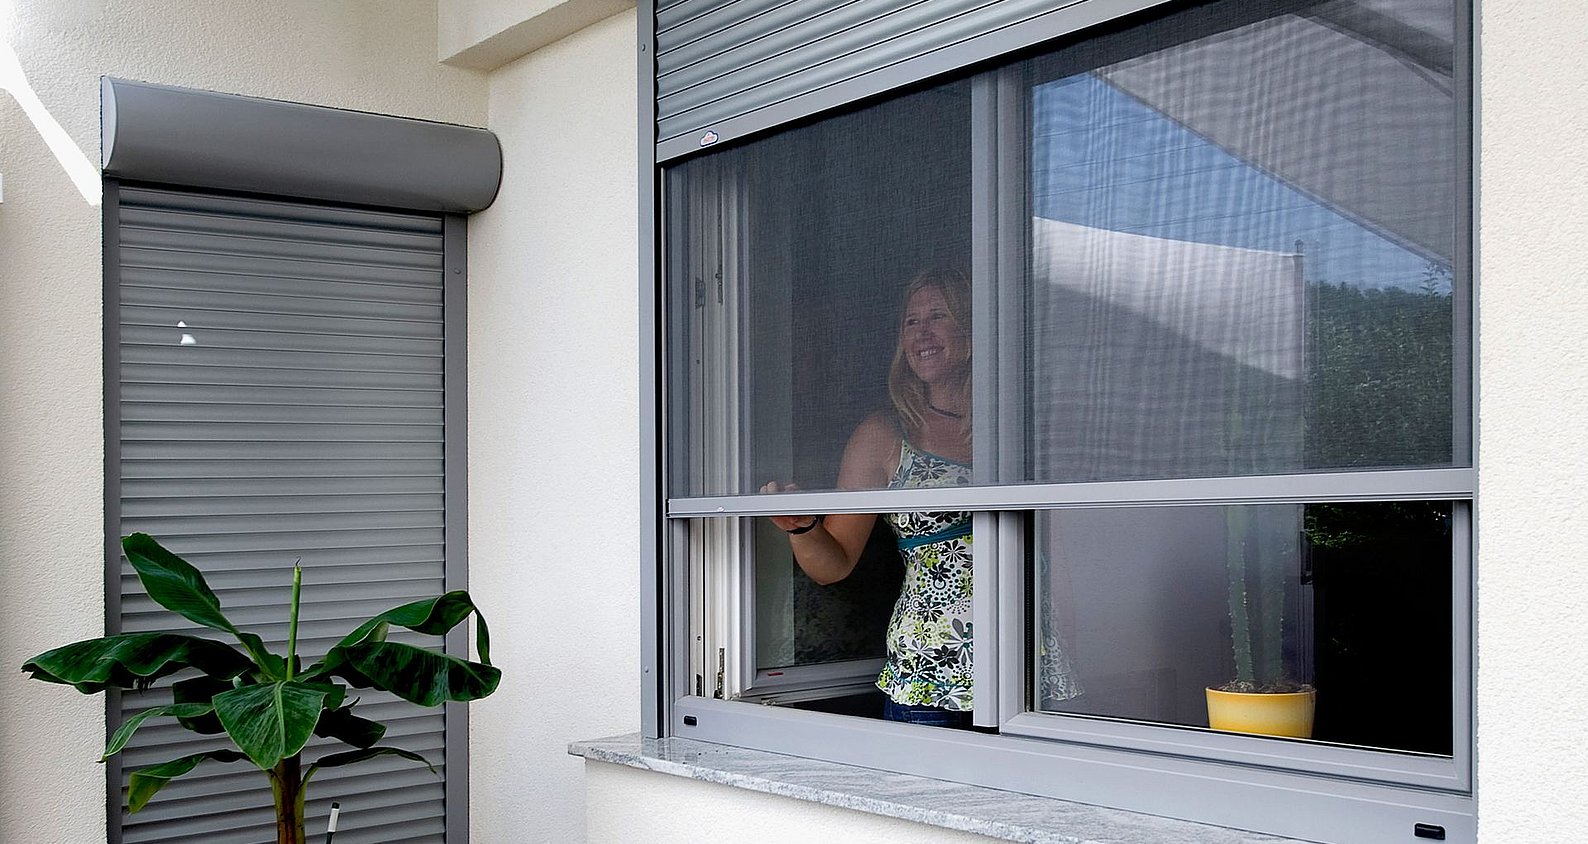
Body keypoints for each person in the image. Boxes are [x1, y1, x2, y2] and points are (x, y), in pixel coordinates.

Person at [762, 268, 981, 726]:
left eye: (937, 316)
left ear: (973, 325)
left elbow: (1055, 554)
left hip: (1028, 661)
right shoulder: (886, 435)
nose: (921, 333)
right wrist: (801, 528)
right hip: (933, 669)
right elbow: (834, 562)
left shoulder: (1016, 424)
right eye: (910, 321)